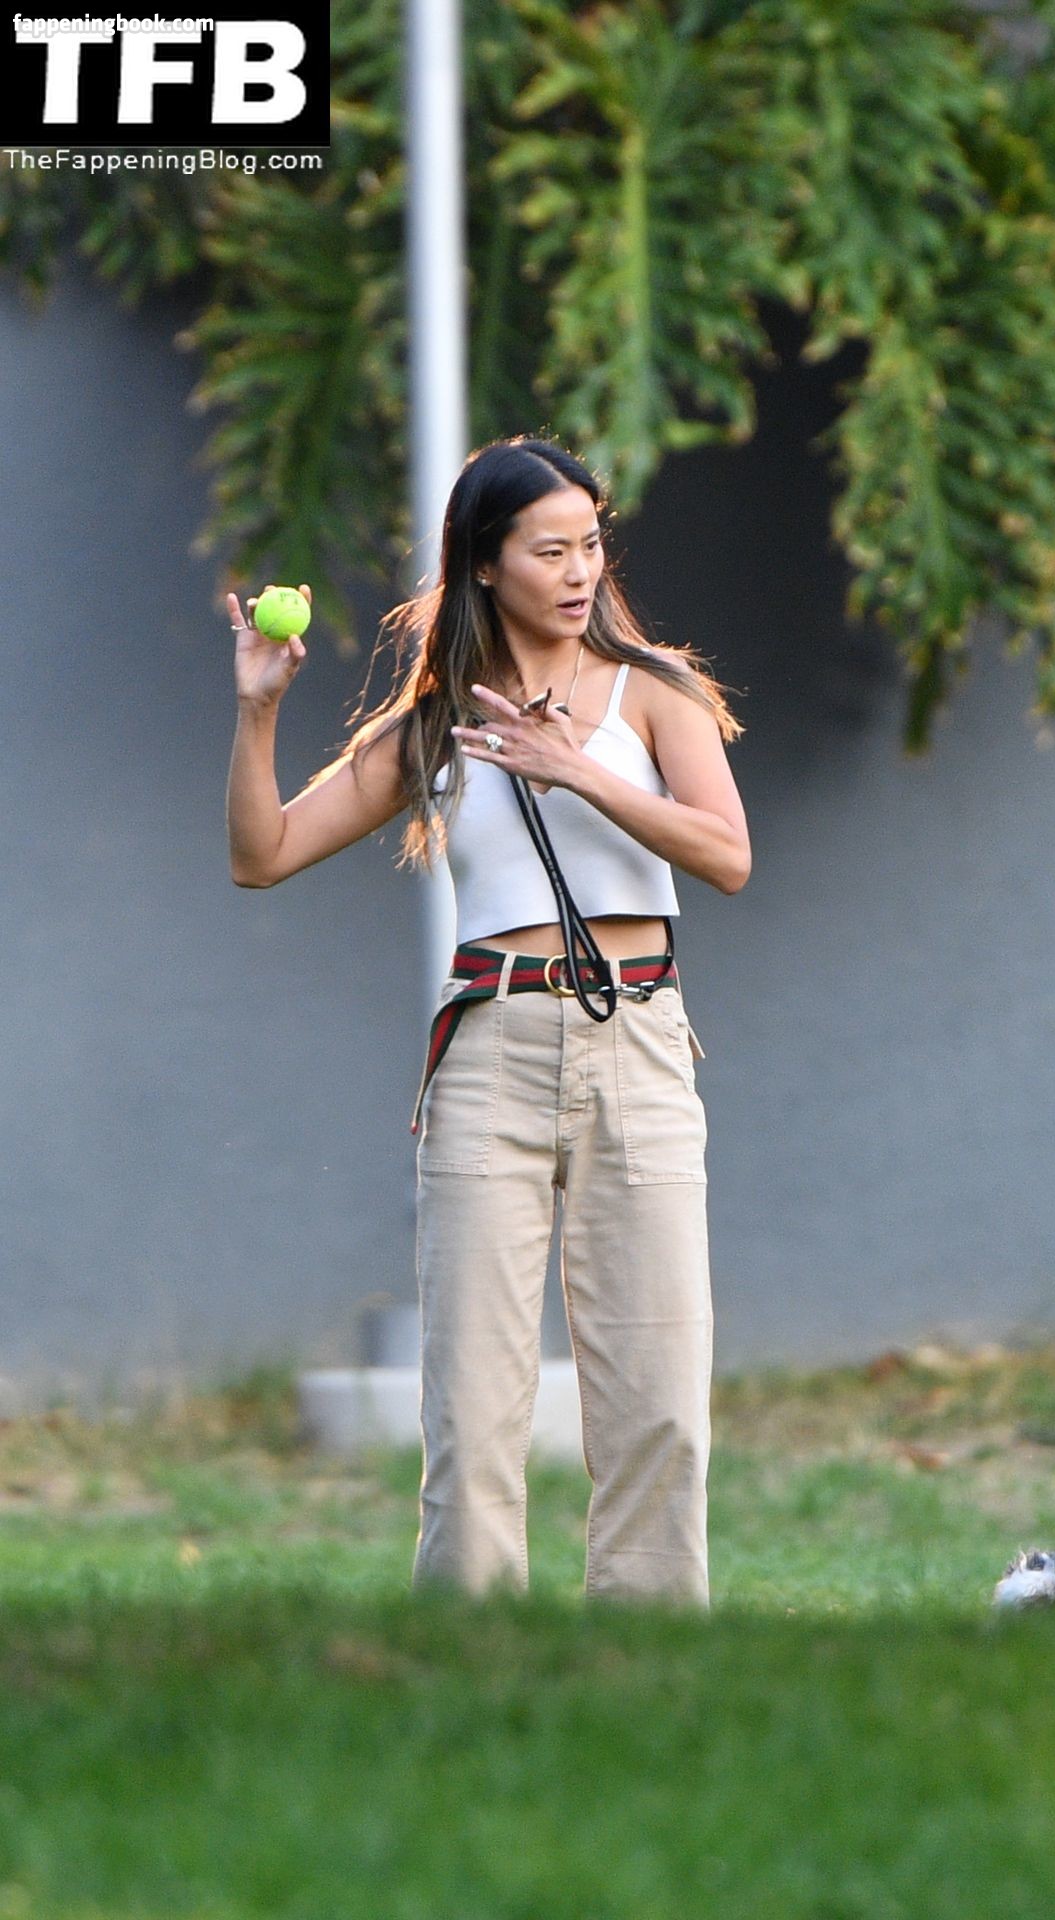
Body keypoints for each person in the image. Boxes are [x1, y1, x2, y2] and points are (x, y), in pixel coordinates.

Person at [225, 435, 750, 1608]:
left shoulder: (653, 690)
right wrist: (259, 712)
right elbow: (263, 855)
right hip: (488, 1054)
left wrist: (582, 771)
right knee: (470, 1407)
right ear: (482, 564)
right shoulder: (433, 725)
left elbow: (727, 855)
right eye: (548, 551)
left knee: (660, 1396)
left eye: (590, 544)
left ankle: (652, 1658)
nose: (579, 571)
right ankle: (471, 1658)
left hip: (638, 1040)